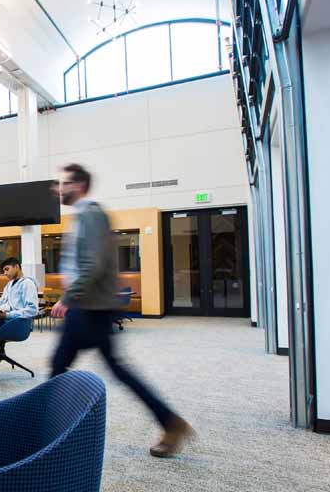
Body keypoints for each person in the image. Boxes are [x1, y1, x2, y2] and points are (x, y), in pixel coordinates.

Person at [50, 163, 194, 458]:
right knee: (107, 368)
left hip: (88, 307)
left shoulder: (91, 216)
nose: (59, 189)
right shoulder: (83, 216)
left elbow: (93, 264)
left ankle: (47, 431)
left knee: (59, 368)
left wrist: (68, 297)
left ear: (78, 186)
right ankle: (170, 422)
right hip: (90, 306)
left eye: (64, 184)